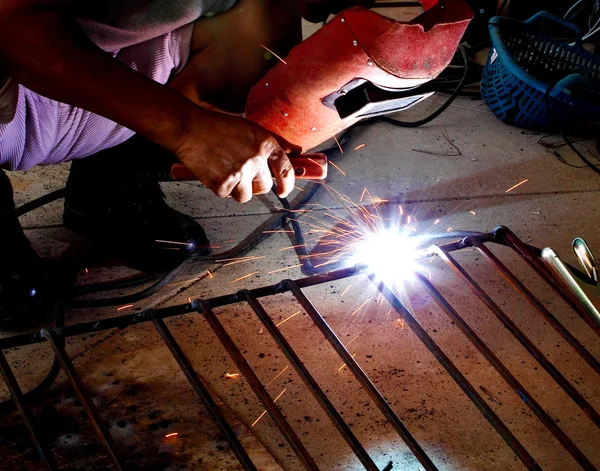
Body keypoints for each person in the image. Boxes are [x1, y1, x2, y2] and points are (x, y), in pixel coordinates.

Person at [0, 0, 372, 322]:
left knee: (261, 21)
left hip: (50, 78)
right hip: (14, 69)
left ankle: (107, 190)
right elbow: (14, 30)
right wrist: (189, 131)